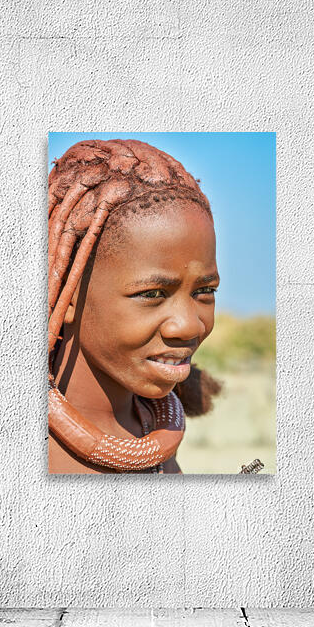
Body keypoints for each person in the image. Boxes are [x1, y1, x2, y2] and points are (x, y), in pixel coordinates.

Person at [47, 139, 222, 474]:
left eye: (204, 290)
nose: (190, 326)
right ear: (67, 295)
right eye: (153, 294)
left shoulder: (152, 432)